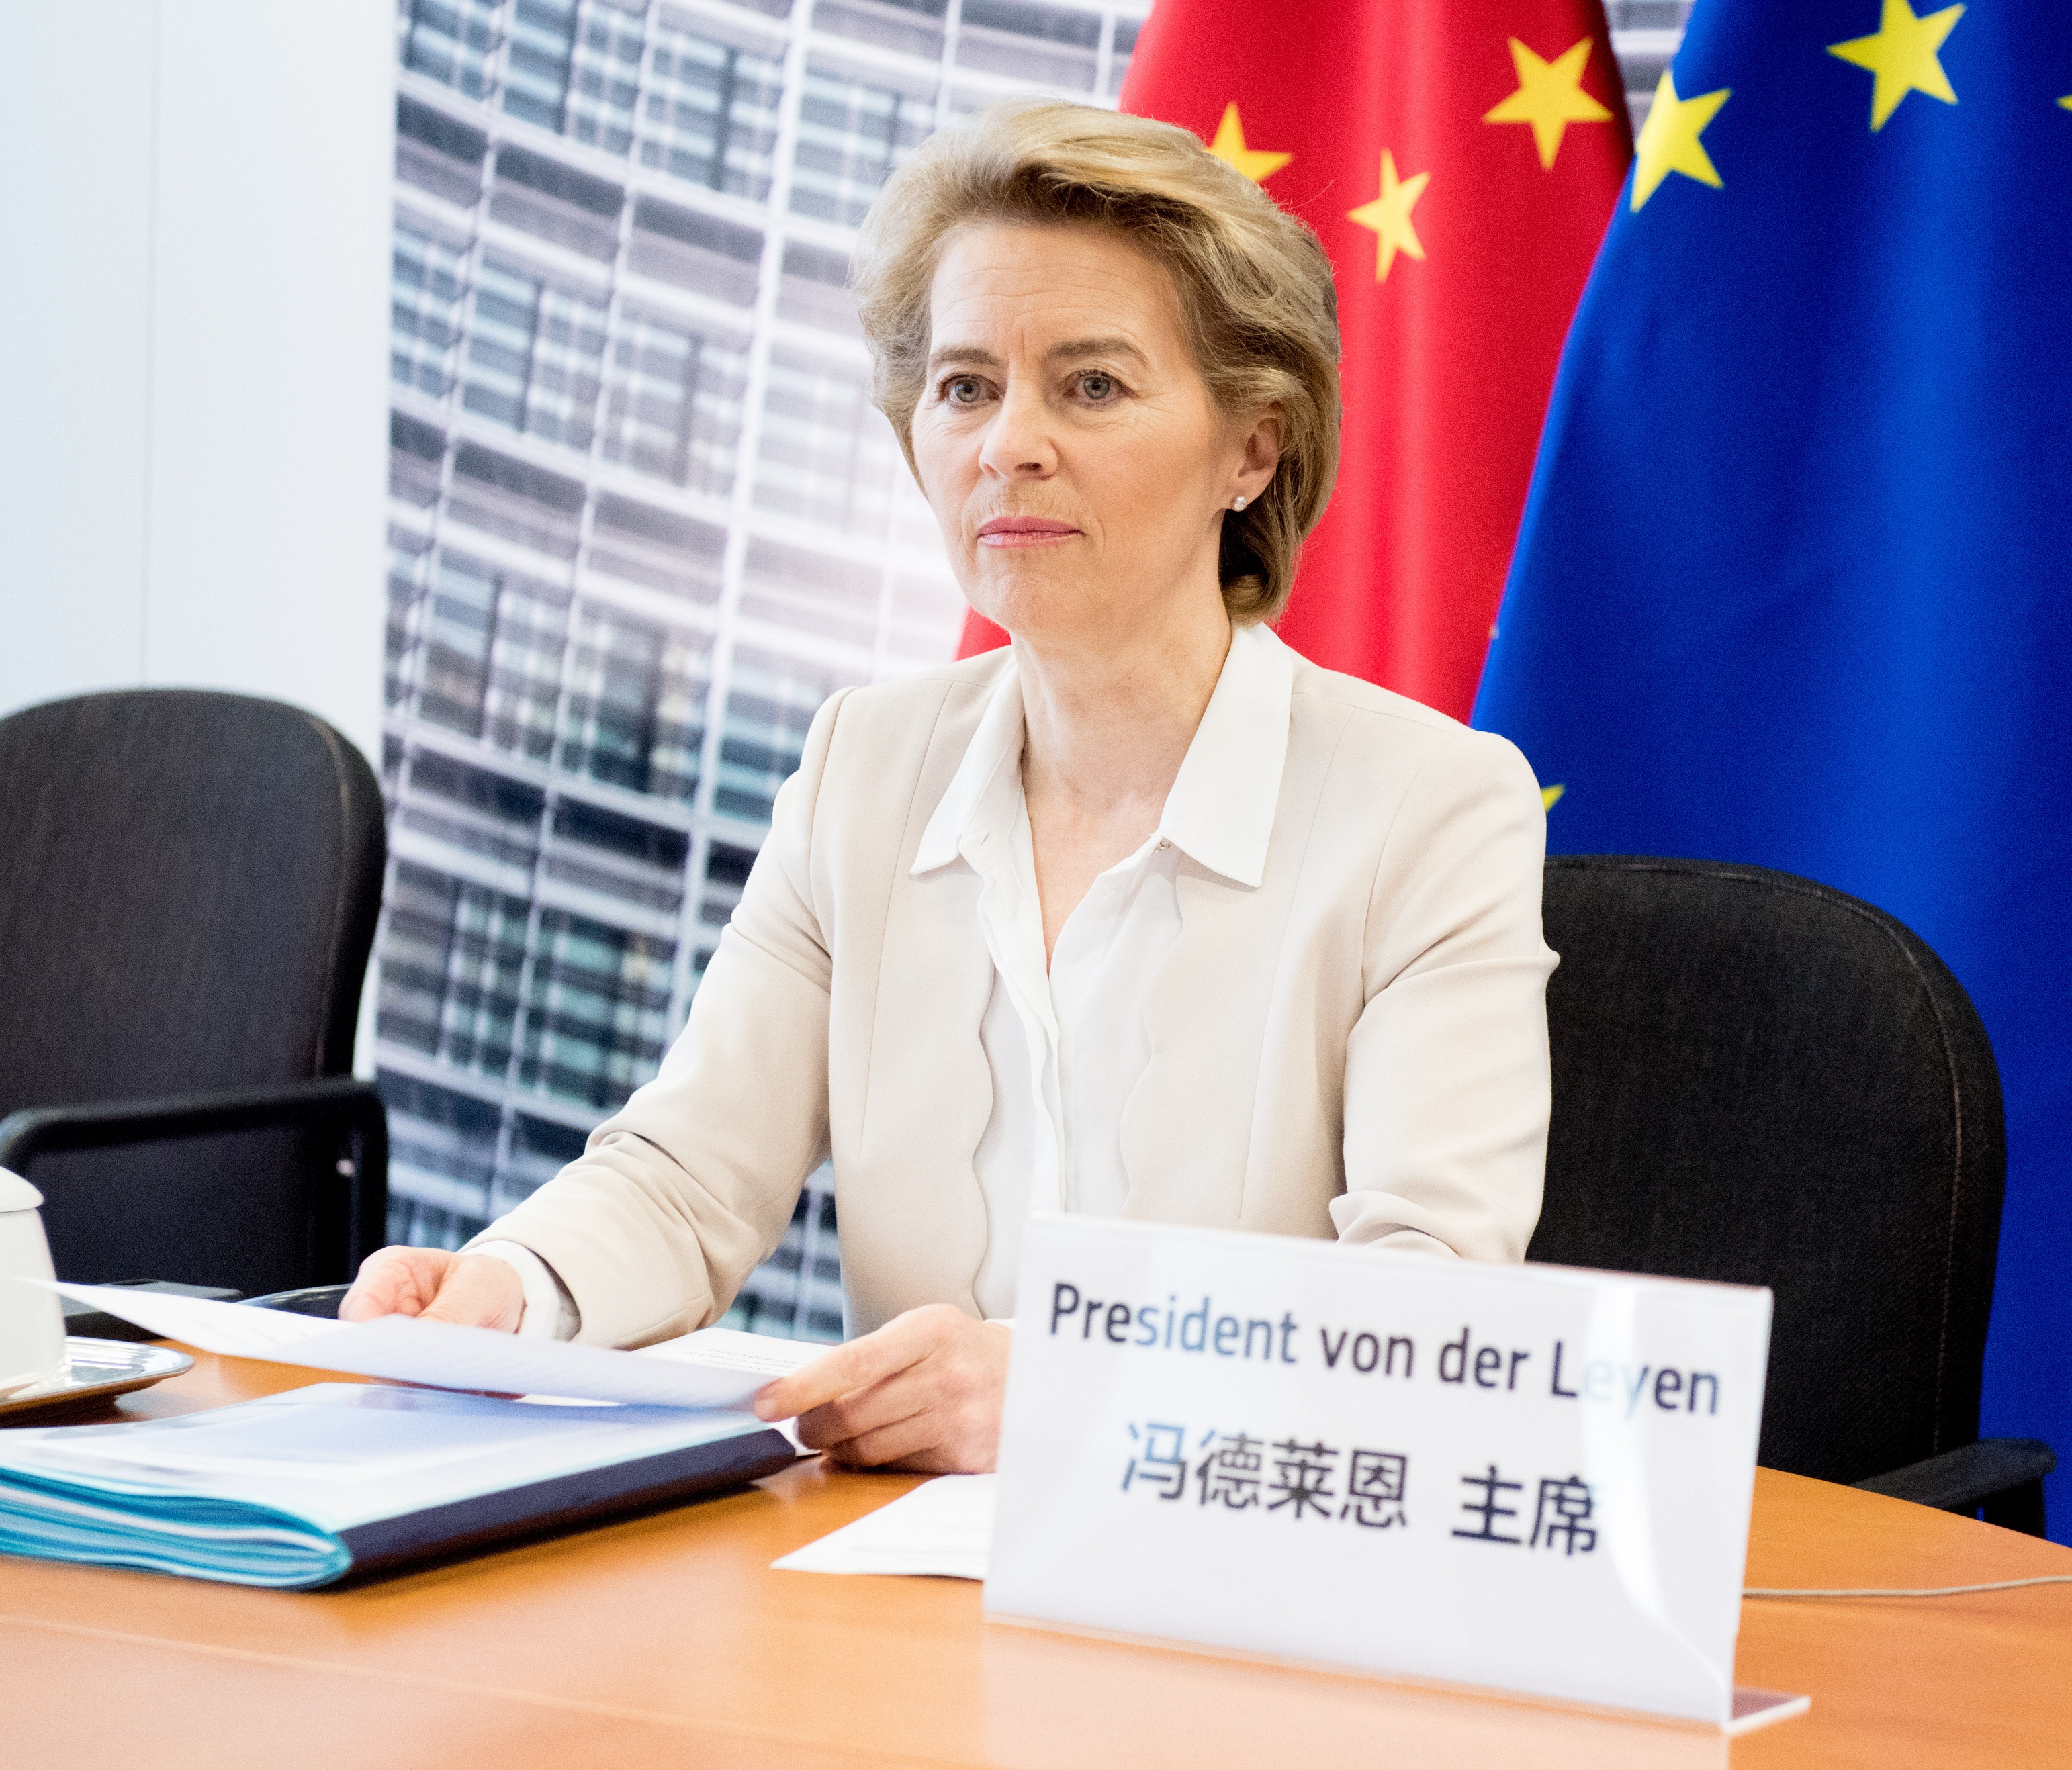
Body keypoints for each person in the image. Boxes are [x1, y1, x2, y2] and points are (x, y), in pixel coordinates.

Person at [344, 98, 1554, 1473]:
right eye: (967, 388)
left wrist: (1073, 1397)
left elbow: (1432, 1311)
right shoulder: (862, 767)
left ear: (1252, 448)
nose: (1008, 445)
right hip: (895, 1564)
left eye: (1090, 386)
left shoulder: (1432, 807)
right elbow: (687, 1177)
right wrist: (507, 1293)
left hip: (1236, 1562)